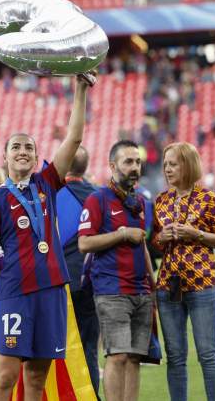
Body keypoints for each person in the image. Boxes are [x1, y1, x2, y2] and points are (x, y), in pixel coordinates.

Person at [0, 74, 91, 401]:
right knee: (5, 377)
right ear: (5, 157)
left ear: (36, 156)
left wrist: (80, 89)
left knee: (37, 378)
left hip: (51, 291)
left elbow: (74, 138)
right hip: (14, 294)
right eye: (16, 146)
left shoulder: (46, 183)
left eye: (29, 147)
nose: (23, 151)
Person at [153, 142, 215, 401]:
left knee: (208, 355)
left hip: (202, 285)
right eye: (165, 164)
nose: (167, 169)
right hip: (168, 286)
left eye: (173, 164)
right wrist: (161, 237)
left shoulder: (207, 198)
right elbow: (154, 243)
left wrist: (197, 234)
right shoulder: (161, 201)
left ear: (187, 165)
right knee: (175, 357)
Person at [78, 140, 155, 401]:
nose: (135, 167)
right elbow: (84, 243)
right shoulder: (97, 199)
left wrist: (153, 284)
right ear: (113, 166)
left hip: (141, 290)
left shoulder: (140, 202)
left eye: (138, 162)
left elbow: (142, 245)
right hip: (112, 290)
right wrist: (121, 234)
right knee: (117, 355)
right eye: (128, 162)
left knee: (134, 358)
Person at [58, 146, 100, 396]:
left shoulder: (51, 195)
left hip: (58, 282)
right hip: (89, 283)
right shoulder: (97, 197)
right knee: (89, 349)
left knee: (58, 349)